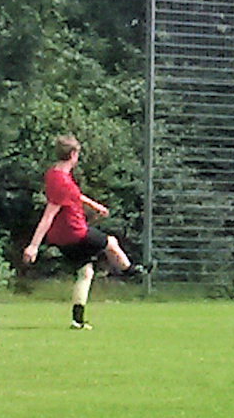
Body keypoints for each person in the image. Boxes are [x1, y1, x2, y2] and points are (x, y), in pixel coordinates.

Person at [22, 135, 148, 330]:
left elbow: (73, 195)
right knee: (111, 242)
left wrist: (94, 205)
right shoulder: (62, 182)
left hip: (61, 237)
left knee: (86, 272)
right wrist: (33, 246)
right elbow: (48, 216)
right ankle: (131, 272)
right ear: (73, 154)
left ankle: (77, 320)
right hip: (75, 232)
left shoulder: (54, 174)